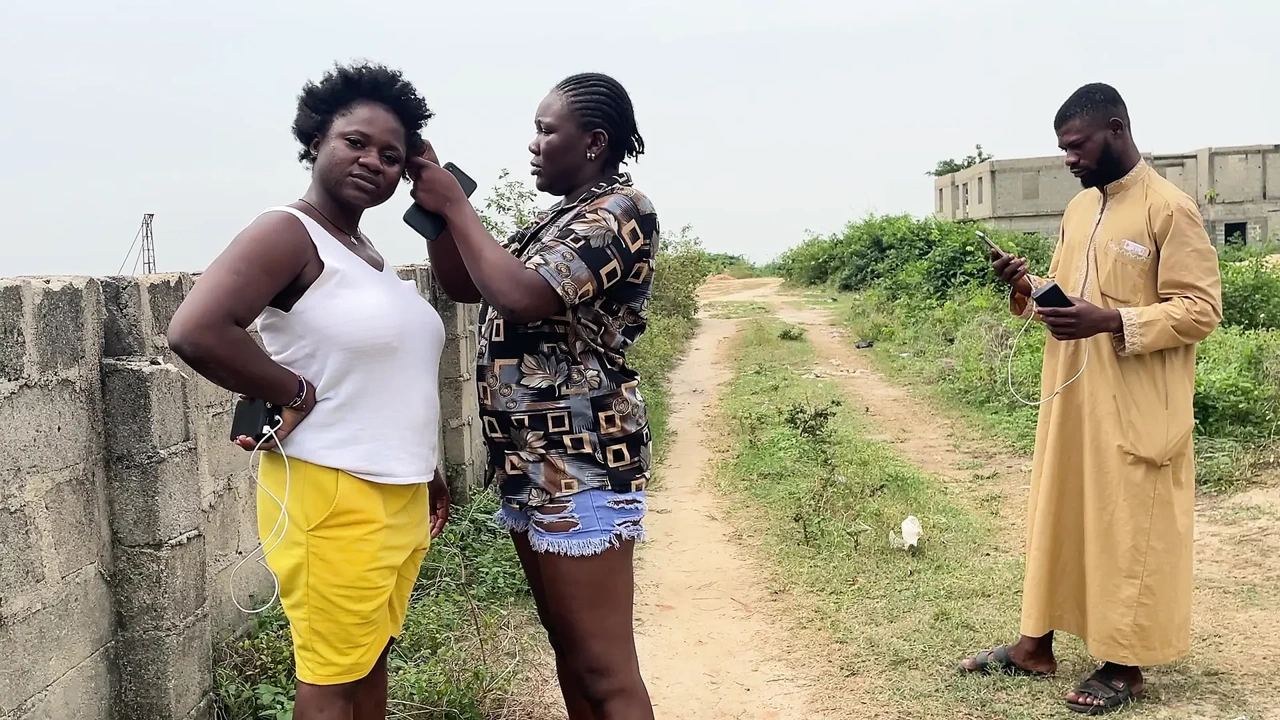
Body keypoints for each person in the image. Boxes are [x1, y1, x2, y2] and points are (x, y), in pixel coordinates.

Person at [168, 62, 452, 720]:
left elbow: (382, 381)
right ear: (316, 139)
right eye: (355, 142)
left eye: (392, 155)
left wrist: (425, 469)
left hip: (398, 492)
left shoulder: (366, 254)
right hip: (333, 493)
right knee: (330, 681)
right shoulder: (288, 232)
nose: (373, 161)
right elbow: (196, 329)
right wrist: (294, 389)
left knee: (369, 658)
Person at [958, 83, 1222, 714]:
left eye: (1077, 146)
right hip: (1072, 400)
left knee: (1127, 528)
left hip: (1136, 406)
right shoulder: (1079, 210)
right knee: (1060, 515)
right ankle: (1035, 645)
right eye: (1063, 149)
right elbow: (1066, 299)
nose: (1069, 159)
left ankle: (1124, 667)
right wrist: (1026, 288)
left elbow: (1201, 310)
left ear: (1116, 129)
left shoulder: (1169, 209)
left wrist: (1110, 321)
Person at [409, 72, 657, 720]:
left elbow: (522, 295)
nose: (534, 144)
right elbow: (469, 284)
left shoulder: (619, 211)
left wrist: (459, 206)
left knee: (604, 668)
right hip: (532, 463)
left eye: (547, 131)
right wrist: (440, 211)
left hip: (583, 463)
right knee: (570, 651)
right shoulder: (559, 217)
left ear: (594, 142)